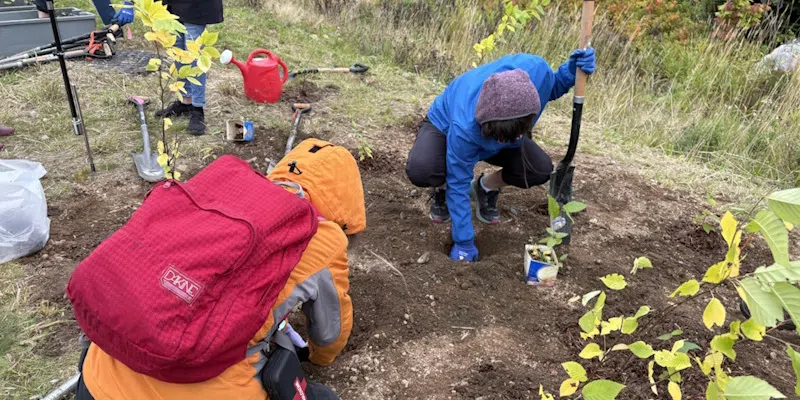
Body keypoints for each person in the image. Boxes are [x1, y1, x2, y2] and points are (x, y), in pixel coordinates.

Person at [73, 141, 364, 400]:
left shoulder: (222, 193)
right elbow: (329, 334)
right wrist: (319, 359)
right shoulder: (322, 237)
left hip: (96, 380)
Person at [405, 50, 596, 262]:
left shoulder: (536, 72)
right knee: (423, 168)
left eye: (511, 137)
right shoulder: (464, 126)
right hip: (443, 125)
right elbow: (459, 181)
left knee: (538, 168)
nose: (502, 143)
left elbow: (553, 86)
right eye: (499, 137)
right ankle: (441, 189)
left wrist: (571, 71)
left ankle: (485, 187)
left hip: (503, 129)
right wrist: (464, 241)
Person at [154, 0, 224, 135]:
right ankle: (186, 101)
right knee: (178, 51)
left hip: (197, 6)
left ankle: (198, 108)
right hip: (174, 6)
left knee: (194, 56)